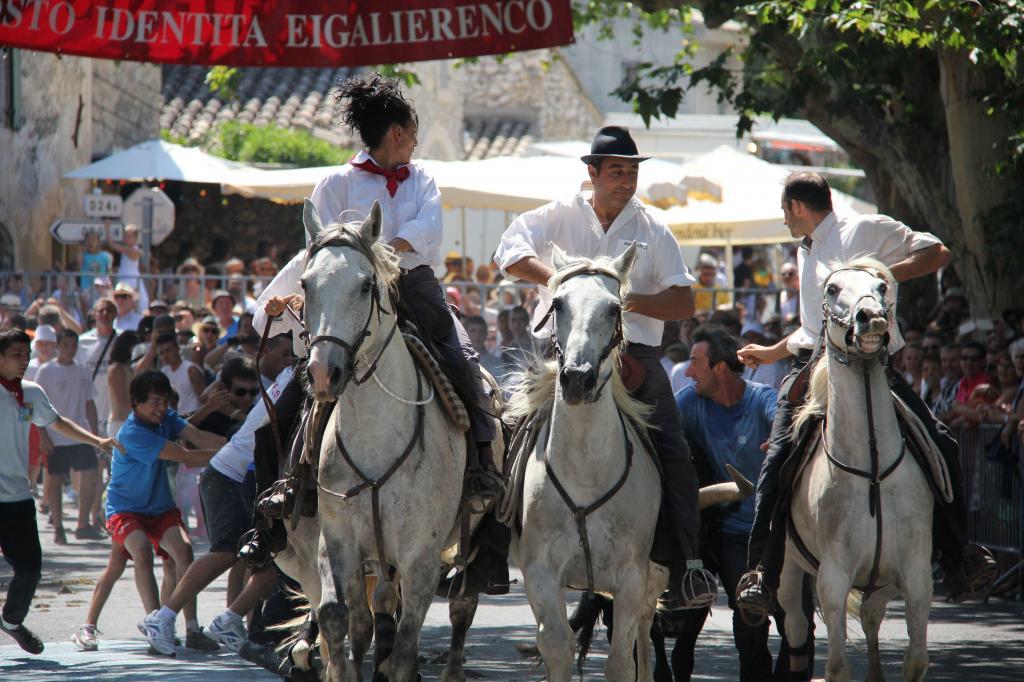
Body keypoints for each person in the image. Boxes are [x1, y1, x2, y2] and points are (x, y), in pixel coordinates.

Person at [239, 72, 502, 563]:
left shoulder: (421, 178)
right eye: (413, 134)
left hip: (412, 285)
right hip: (346, 293)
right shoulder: (335, 182)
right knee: (298, 388)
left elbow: (427, 230)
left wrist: (379, 250)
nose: (414, 144)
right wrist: (293, 296)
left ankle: (483, 466)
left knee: (464, 359)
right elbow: (317, 251)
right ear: (398, 133)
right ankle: (282, 495)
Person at [734, 172, 994, 619]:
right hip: (814, 366)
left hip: (875, 364)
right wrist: (773, 351)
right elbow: (811, 329)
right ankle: (761, 571)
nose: (784, 220)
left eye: (784, 211)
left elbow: (937, 252)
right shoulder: (807, 248)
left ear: (797, 206)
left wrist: (880, 274)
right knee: (777, 458)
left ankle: (959, 555)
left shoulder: (865, 228)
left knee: (940, 442)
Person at [493, 124, 715, 608]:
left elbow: (684, 302)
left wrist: (618, 299)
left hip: (632, 357)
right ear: (591, 173)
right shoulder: (559, 214)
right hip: (562, 353)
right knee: (505, 432)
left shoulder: (653, 228)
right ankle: (488, 552)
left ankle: (687, 566)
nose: (627, 180)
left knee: (674, 447)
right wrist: (565, 282)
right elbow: (508, 253)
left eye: (632, 172)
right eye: (617, 171)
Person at [673, 325, 812, 680]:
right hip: (734, 532)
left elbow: (789, 422)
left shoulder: (762, 398)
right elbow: (660, 435)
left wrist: (782, 440)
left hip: (782, 531)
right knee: (749, 612)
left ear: (720, 368)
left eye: (694, 362)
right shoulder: (690, 402)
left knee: (797, 621)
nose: (687, 372)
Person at [140, 363, 293, 655]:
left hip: (243, 475)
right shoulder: (297, 381)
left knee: (274, 559)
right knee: (227, 552)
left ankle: (229, 619)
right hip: (229, 476)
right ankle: (164, 618)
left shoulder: (291, 376)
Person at [0, 328, 120, 654]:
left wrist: (97, 440)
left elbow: (58, 422)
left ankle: (11, 621)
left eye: (27, 355)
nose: (24, 361)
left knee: (30, 569)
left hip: (18, 496)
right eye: (16, 355)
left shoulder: (30, 393)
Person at [105, 371, 225, 652]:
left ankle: (192, 629)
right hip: (125, 509)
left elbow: (197, 436)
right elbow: (186, 456)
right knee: (142, 551)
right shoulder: (133, 433)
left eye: (165, 402)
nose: (162, 409)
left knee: (183, 552)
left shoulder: (166, 418)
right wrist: (235, 454)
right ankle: (155, 624)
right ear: (135, 403)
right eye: (155, 403)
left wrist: (239, 443)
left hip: (159, 507)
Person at [34, 329, 105, 543]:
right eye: (66, 345)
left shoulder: (82, 370)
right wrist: (43, 435)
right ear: (58, 346)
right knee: (55, 480)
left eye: (73, 345)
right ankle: (58, 526)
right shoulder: (46, 371)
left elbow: (89, 402)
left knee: (91, 475)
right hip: (56, 435)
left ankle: (83, 524)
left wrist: (94, 434)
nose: (70, 349)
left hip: (80, 433)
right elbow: (35, 405)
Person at [106, 222, 149, 312]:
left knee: (132, 300)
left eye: (129, 237)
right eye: (125, 236)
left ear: (135, 238)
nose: (126, 239)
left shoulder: (131, 249)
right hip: (124, 277)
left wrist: (107, 228)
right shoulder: (133, 249)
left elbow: (112, 245)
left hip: (130, 279)